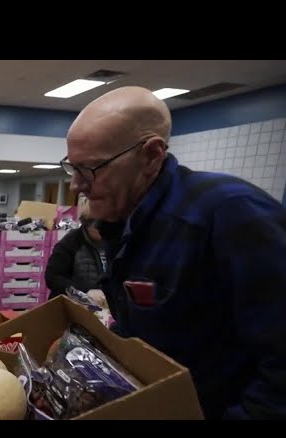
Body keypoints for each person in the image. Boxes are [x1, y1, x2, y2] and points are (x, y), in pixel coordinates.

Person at [62, 85, 286, 420]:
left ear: (151, 155)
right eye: (71, 167)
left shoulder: (230, 215)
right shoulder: (125, 223)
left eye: (90, 169)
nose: (76, 186)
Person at [44, 201, 108, 306]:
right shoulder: (70, 242)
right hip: (73, 307)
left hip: (103, 307)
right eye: (99, 226)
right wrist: (85, 291)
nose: (104, 230)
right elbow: (52, 278)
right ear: (87, 223)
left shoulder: (114, 243)